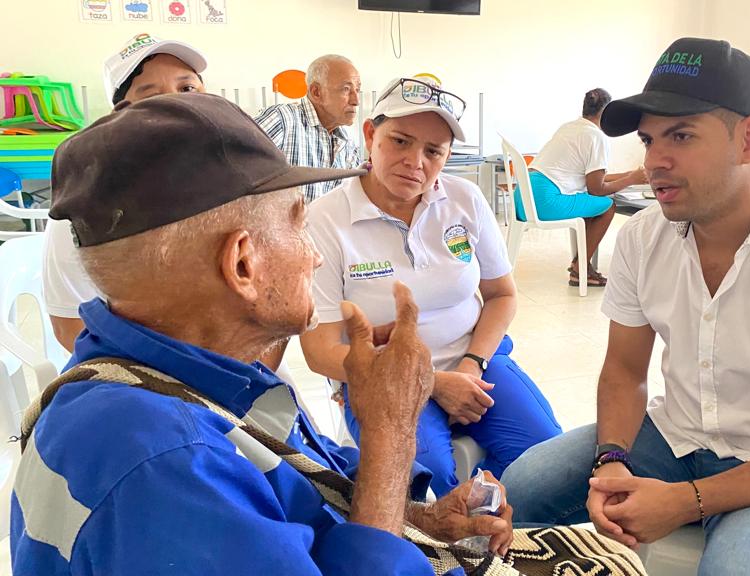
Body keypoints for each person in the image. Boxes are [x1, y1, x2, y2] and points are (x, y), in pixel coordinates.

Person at [12, 93, 514, 574]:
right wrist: (390, 432)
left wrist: (426, 520)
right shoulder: (165, 464)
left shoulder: (202, 374)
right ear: (243, 264)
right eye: (297, 225)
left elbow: (308, 496)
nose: (315, 256)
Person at [502, 37, 750, 575]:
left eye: (681, 136)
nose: (654, 162)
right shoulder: (643, 237)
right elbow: (623, 371)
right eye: (648, 139)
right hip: (673, 435)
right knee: (520, 488)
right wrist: (612, 458)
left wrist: (687, 502)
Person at [300, 76, 562, 497]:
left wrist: (470, 366)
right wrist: (434, 383)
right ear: (370, 135)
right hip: (385, 376)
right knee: (426, 480)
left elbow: (502, 295)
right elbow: (320, 350)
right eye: (400, 141)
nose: (415, 162)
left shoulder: (464, 199)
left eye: (433, 151)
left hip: (476, 358)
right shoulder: (326, 220)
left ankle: (496, 525)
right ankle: (455, 536)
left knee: (546, 462)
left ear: (447, 156)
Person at [44, 33, 206, 354]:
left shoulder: (237, 178)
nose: (177, 103)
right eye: (151, 95)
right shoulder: (84, 207)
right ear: (121, 113)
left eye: (187, 88)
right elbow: (69, 326)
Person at [514, 88, 647, 287]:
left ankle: (581, 265)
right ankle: (579, 268)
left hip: (523, 199)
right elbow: (597, 189)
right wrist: (630, 180)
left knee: (590, 204)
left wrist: (631, 175)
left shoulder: (568, 128)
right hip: (543, 202)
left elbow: (592, 179)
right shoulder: (596, 136)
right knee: (607, 206)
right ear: (605, 112)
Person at [255, 54, 362, 204]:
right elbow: (234, 164)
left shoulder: (348, 142)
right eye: (346, 89)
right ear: (316, 92)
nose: (356, 100)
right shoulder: (283, 119)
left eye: (357, 90)